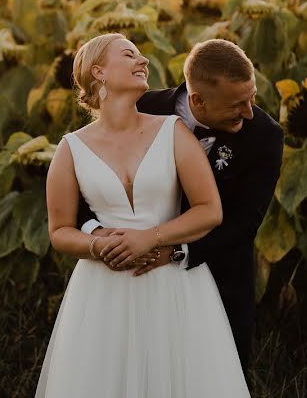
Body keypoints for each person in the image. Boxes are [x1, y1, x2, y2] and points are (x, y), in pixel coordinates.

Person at [35, 34, 252, 397]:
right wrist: (98, 245)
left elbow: (209, 210)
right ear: (99, 72)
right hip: (103, 289)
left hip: (174, 285)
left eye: (141, 54)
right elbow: (59, 230)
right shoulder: (70, 149)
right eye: (129, 54)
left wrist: (149, 238)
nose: (144, 61)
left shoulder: (172, 131)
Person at [76, 37, 284, 375]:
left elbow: (245, 223)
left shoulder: (264, 135)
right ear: (199, 100)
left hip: (217, 275)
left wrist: (174, 251)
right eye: (237, 104)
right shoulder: (141, 107)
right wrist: (104, 237)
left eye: (252, 98)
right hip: (128, 274)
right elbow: (87, 178)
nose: (248, 113)